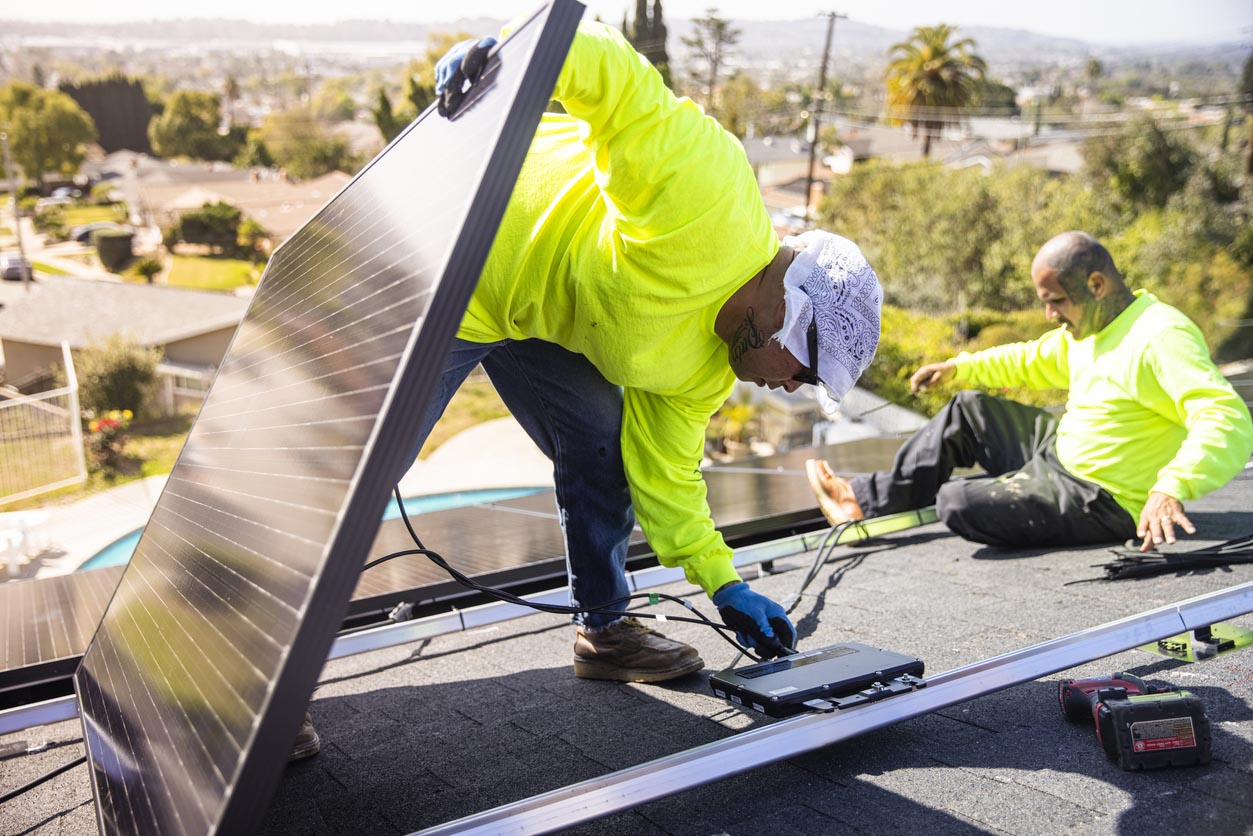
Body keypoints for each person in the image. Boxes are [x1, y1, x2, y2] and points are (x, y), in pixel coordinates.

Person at [807, 231, 1253, 555]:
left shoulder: (1161, 336)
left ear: (1096, 284)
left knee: (955, 501)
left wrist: (1171, 486)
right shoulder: (1093, 327)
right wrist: (959, 368)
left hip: (1101, 497)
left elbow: (1225, 418)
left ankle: (1015, 491)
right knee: (967, 411)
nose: (1049, 313)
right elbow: (1032, 359)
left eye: (1056, 300)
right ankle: (863, 502)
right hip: (1058, 449)